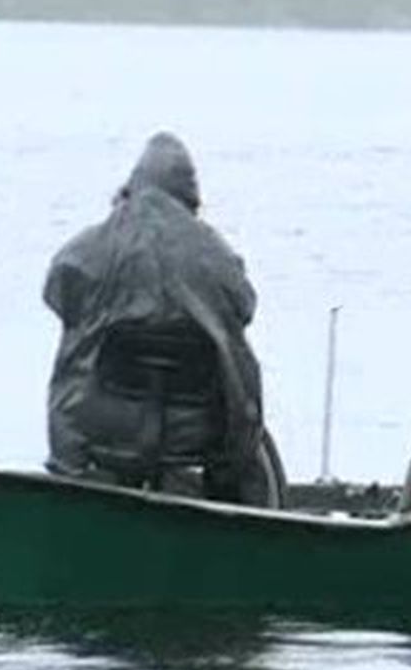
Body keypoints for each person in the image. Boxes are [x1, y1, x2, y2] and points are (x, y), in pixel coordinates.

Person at [42, 131, 281, 506]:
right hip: (195, 429)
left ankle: (68, 475)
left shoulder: (92, 245)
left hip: (104, 421)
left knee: (75, 352)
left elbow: (57, 290)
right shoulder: (215, 254)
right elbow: (244, 305)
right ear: (191, 198)